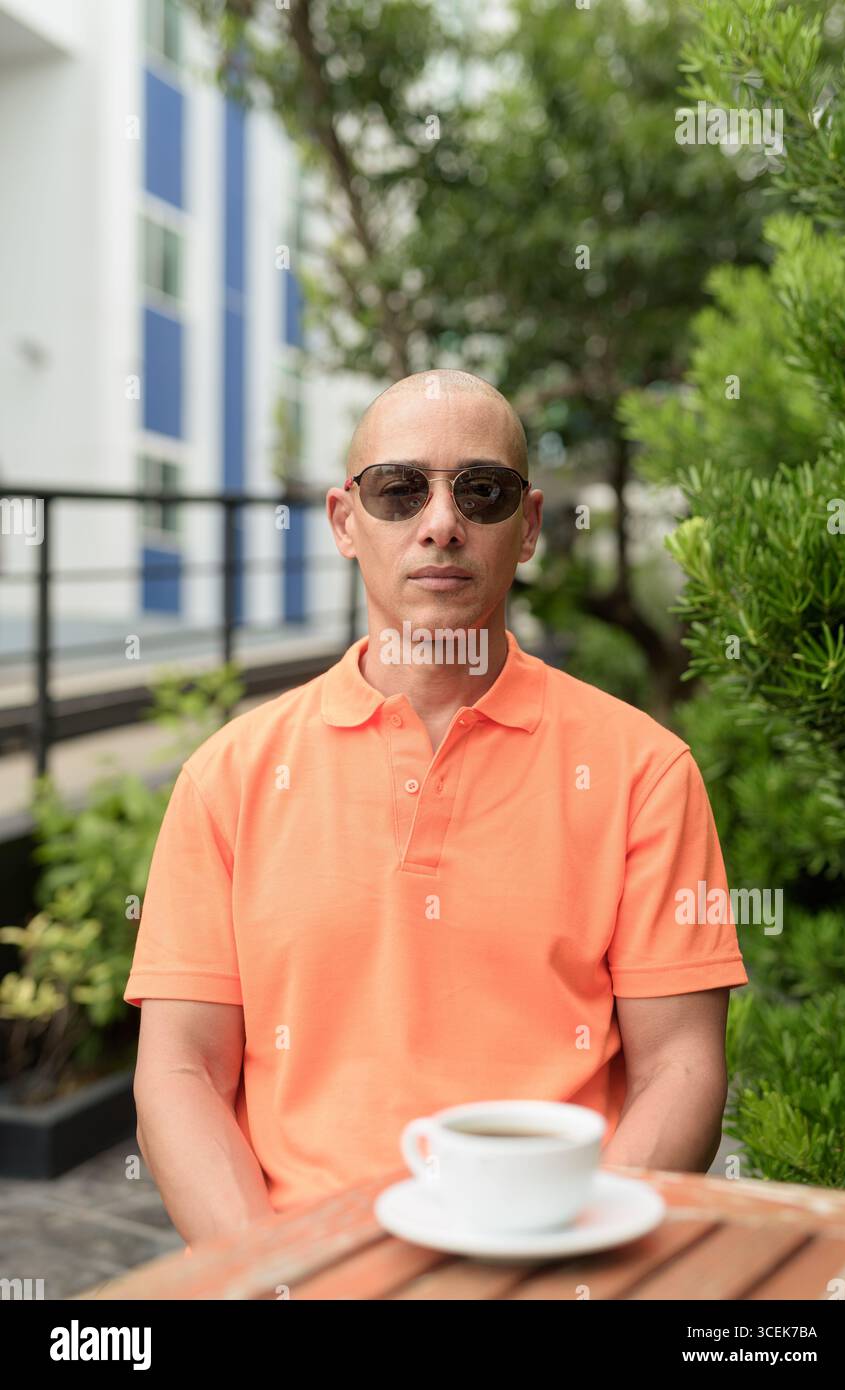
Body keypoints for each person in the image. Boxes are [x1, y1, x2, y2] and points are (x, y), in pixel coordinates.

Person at [125, 369, 748, 1250]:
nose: (441, 521)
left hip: (556, 1259)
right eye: (400, 488)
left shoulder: (644, 771)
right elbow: (179, 1075)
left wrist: (568, 1258)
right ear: (346, 520)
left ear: (526, 526)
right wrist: (270, 1277)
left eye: (481, 491)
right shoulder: (227, 777)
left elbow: (682, 1068)